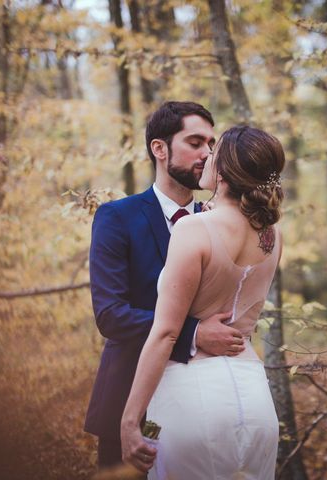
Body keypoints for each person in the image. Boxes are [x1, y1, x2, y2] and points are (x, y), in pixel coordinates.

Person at [84, 101, 247, 469]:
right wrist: (193, 334)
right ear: (160, 149)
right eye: (195, 142)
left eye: (211, 143)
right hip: (129, 397)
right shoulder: (117, 217)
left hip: (204, 400)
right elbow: (110, 315)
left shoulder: (218, 223)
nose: (208, 153)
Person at [121, 125, 285, 479]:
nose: (206, 155)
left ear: (223, 171)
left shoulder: (193, 229)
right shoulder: (273, 235)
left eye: (214, 150)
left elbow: (165, 333)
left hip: (193, 399)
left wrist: (130, 420)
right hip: (255, 400)